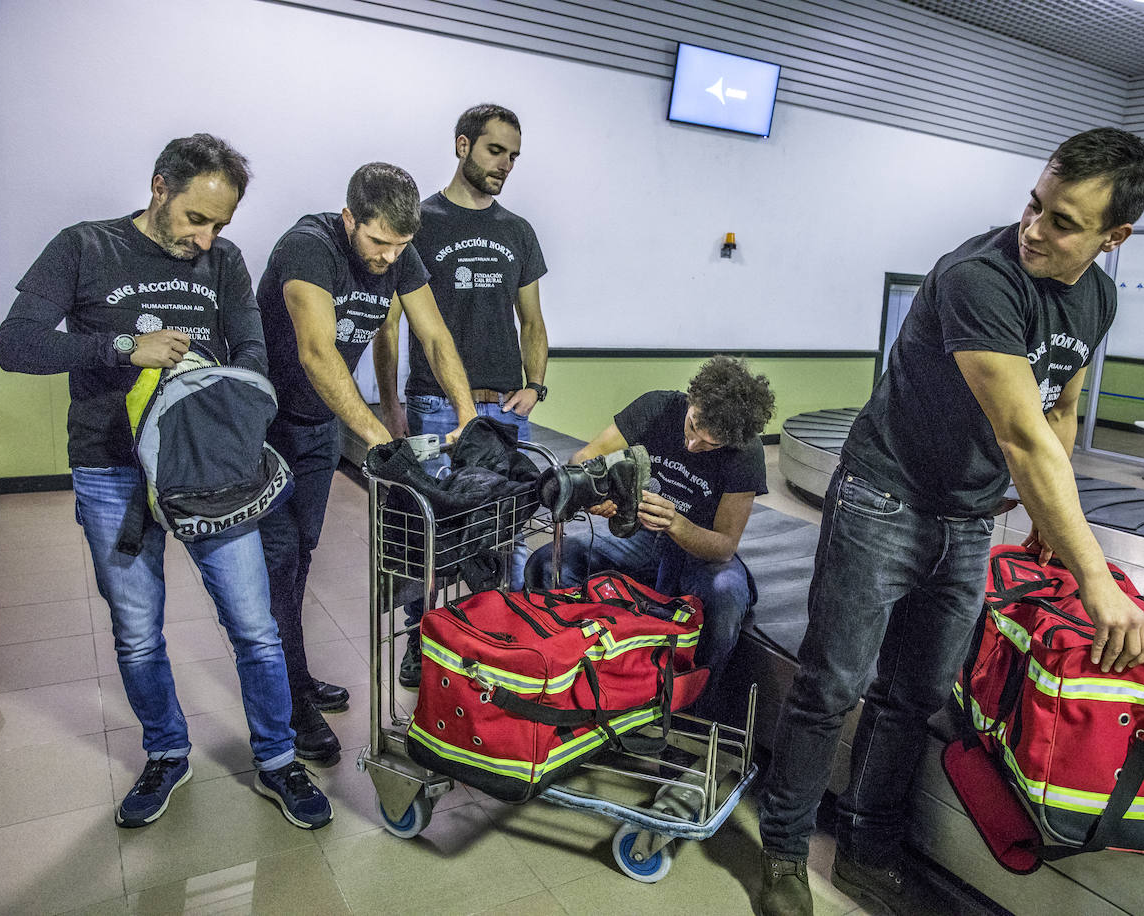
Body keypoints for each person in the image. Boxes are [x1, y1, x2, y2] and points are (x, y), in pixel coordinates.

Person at [755, 128, 1144, 915]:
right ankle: (782, 853)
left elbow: (1061, 410)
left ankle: (868, 848)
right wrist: (1094, 577)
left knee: (917, 694)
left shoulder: (1098, 298)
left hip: (970, 517)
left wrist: (1051, 516)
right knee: (831, 685)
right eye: (1034, 205)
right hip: (884, 497)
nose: (1034, 229)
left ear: (1116, 239)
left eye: (1063, 222)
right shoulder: (980, 277)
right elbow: (1019, 435)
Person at [0, 133, 332, 830]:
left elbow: (251, 353)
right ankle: (167, 752)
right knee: (138, 631)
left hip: (209, 472)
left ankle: (275, 759)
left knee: (255, 627)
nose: (206, 239)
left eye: (221, 225)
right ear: (159, 189)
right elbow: (17, 343)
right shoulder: (85, 247)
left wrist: (212, 383)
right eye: (196, 220)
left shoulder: (225, 262)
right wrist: (123, 346)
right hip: (110, 471)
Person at [256, 162, 476, 760]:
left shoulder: (400, 255)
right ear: (349, 218)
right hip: (267, 430)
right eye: (378, 242)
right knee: (279, 564)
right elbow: (316, 351)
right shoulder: (308, 246)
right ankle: (291, 704)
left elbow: (434, 335)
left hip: (318, 430)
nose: (388, 257)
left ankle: (293, 677)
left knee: (301, 554)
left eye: (401, 245)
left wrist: (467, 415)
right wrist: (381, 439)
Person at [381, 103, 548, 687]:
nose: (505, 165)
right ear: (462, 145)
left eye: (513, 156)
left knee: (507, 528)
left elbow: (531, 319)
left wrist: (534, 387)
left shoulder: (517, 232)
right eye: (495, 150)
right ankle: (419, 641)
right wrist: (391, 402)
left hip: (504, 410)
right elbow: (392, 322)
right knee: (427, 531)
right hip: (433, 403)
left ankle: (502, 636)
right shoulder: (422, 223)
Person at [524, 356, 775, 707]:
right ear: (691, 401)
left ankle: (692, 709)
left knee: (727, 594)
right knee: (551, 562)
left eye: (708, 445)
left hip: (697, 553)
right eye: (692, 428)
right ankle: (568, 686)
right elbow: (582, 461)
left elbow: (723, 546)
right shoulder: (658, 407)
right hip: (643, 539)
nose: (692, 445)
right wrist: (600, 492)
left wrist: (677, 523)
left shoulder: (746, 453)